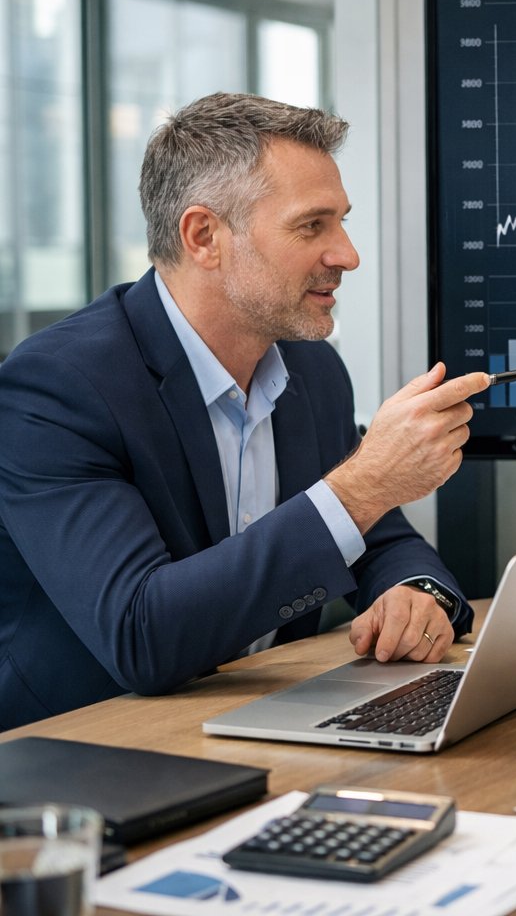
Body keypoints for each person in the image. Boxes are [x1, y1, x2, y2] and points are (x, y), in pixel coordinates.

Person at [0, 93, 488, 730]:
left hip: (260, 723)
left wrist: (417, 592)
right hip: (82, 750)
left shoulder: (313, 371)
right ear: (204, 237)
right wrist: (362, 485)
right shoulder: (57, 387)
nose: (347, 254)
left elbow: (379, 537)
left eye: (341, 221)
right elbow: (140, 633)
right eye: (312, 226)